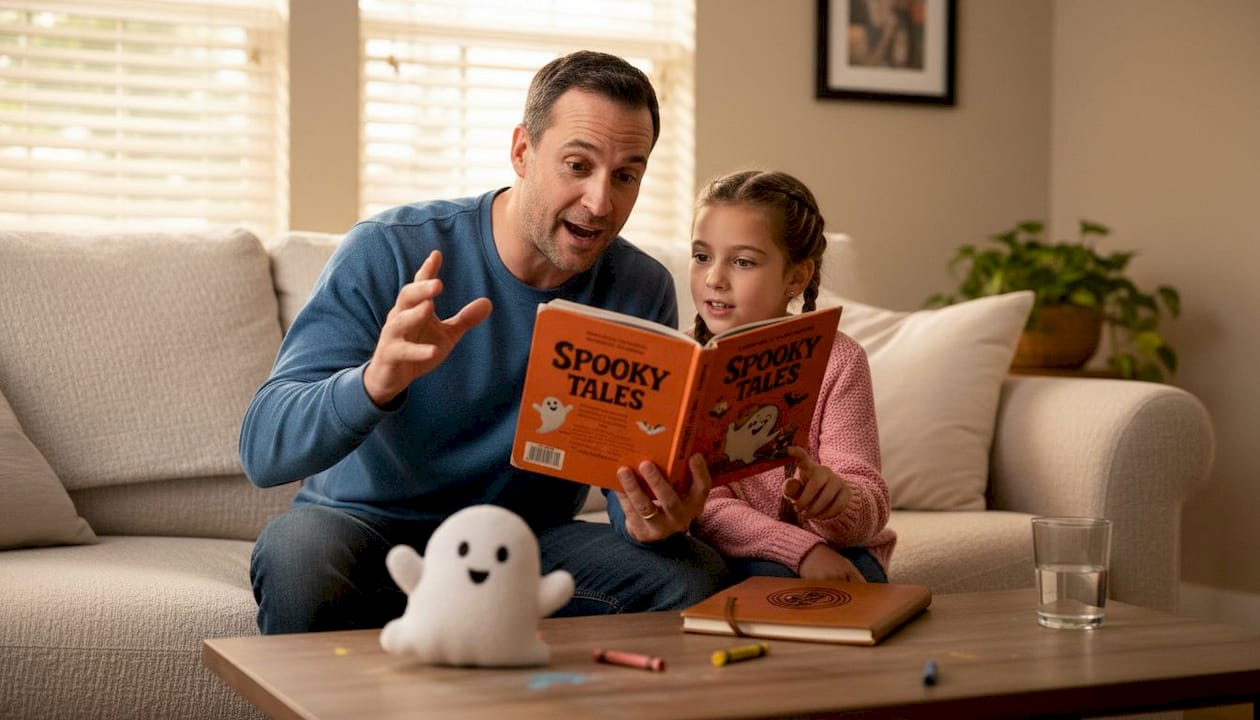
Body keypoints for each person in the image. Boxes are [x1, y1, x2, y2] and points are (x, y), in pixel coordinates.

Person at [240, 50, 726, 635]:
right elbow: (263, 451)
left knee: (692, 577)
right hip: (368, 529)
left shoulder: (639, 288)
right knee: (298, 560)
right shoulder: (388, 249)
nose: (601, 202)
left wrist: (652, 517)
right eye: (578, 165)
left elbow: (624, 491)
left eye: (626, 175)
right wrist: (377, 380)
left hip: (522, 545)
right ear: (522, 151)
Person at [684, 169, 896, 583]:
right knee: (730, 577)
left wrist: (836, 500)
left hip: (838, 546)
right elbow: (706, 507)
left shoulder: (839, 360)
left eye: (742, 261)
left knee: (856, 581)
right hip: (730, 549)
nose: (714, 278)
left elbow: (867, 501)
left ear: (796, 277)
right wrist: (803, 552)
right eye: (702, 256)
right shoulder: (685, 360)